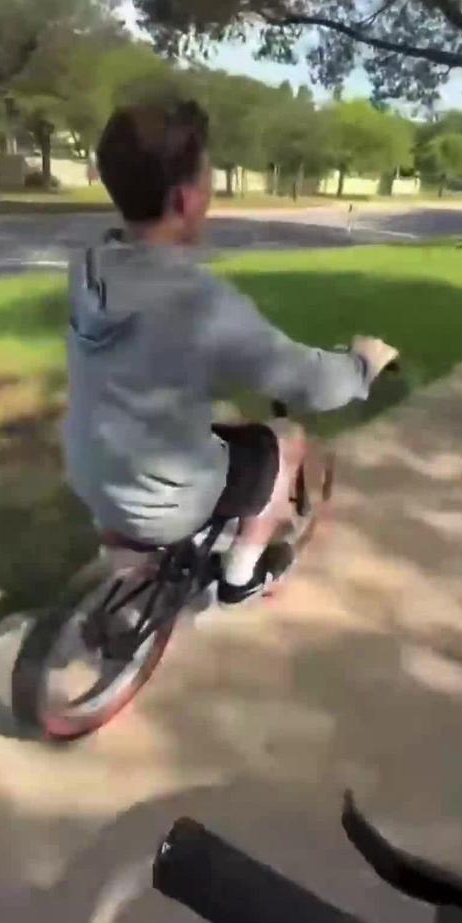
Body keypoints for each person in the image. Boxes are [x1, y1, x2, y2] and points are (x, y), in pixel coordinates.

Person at [64, 98, 398, 605]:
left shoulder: (89, 269)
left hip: (90, 474)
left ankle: (127, 561)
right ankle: (240, 577)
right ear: (184, 200)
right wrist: (362, 364)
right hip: (162, 501)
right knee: (285, 441)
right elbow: (308, 382)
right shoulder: (199, 301)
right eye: (209, 179)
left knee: (220, 419)